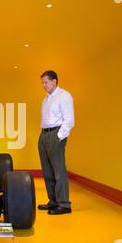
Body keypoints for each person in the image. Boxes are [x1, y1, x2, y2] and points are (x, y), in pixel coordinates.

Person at [38, 70, 75, 215]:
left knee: (59, 170)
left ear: (55, 81)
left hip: (55, 134)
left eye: (46, 82)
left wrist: (59, 136)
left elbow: (69, 120)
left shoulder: (64, 96)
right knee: (47, 171)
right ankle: (53, 201)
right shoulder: (46, 99)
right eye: (42, 83)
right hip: (44, 134)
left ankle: (64, 204)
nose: (44, 85)